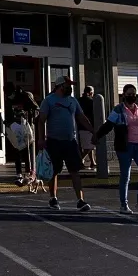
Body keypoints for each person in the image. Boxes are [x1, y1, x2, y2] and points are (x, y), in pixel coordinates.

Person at [35, 76, 92, 212]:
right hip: (54, 141)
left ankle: (80, 200)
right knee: (54, 171)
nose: (70, 88)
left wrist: (92, 131)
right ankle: (53, 198)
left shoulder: (73, 101)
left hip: (70, 141)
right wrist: (41, 139)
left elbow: (81, 117)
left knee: (75, 170)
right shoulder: (49, 101)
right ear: (60, 86)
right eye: (68, 85)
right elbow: (41, 120)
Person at [95, 84, 138, 215]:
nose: (132, 96)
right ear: (124, 95)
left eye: (134, 93)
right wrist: (97, 135)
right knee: (125, 176)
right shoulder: (119, 110)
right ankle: (123, 204)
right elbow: (108, 124)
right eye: (129, 93)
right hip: (125, 146)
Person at [77, 84, 102, 173]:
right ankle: (79, 160)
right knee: (90, 146)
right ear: (91, 92)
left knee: (88, 145)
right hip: (89, 126)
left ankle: (92, 161)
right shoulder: (91, 102)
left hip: (80, 126)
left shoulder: (79, 100)